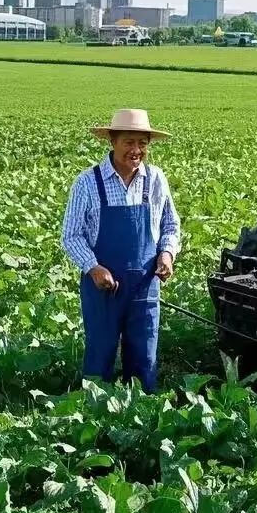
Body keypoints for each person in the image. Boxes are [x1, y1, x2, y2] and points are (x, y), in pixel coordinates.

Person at [61, 108, 181, 394]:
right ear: (112, 141)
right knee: (100, 351)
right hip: (103, 286)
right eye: (129, 142)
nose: (136, 150)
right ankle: (93, 413)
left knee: (144, 355)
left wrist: (166, 253)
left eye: (142, 143)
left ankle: (140, 413)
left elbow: (170, 223)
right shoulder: (88, 182)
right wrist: (93, 266)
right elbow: (71, 235)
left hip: (145, 285)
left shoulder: (155, 179)